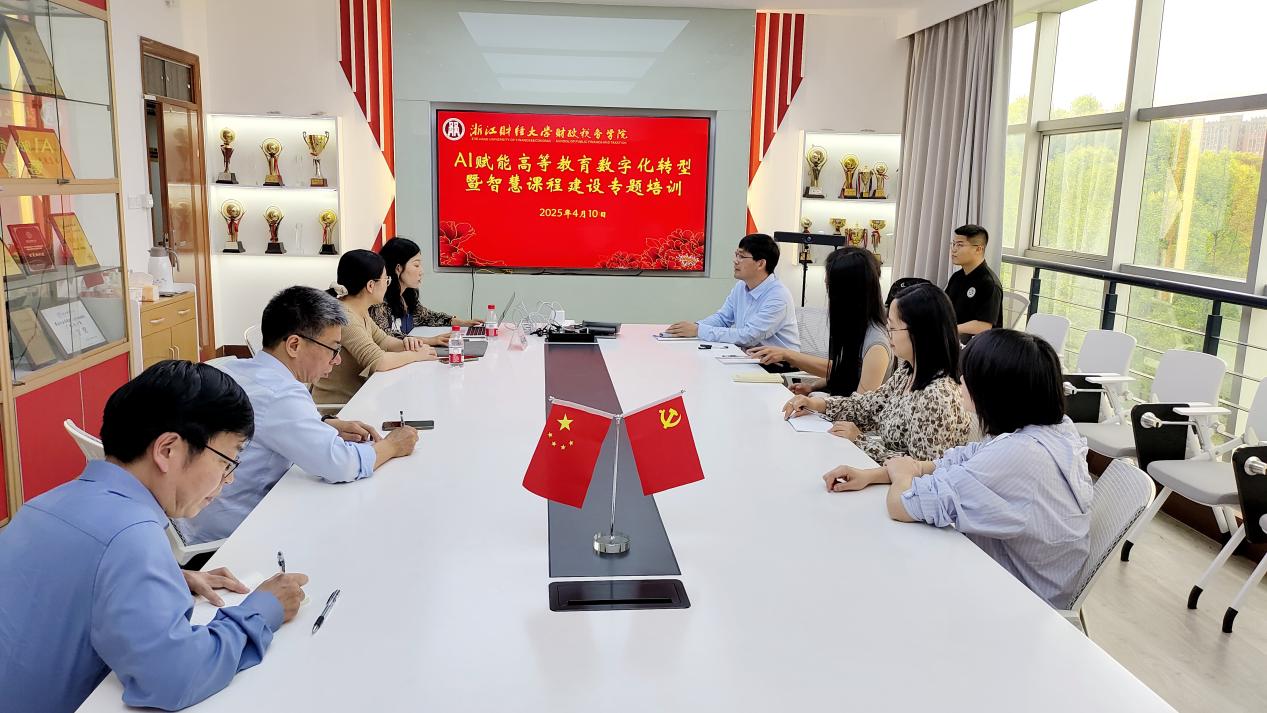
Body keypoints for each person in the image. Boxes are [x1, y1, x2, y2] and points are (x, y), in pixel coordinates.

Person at [0, 361, 309, 713]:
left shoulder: (42, 505)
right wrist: (263, 610)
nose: (229, 479)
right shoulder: (131, 537)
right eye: (227, 462)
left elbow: (64, 582)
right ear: (167, 450)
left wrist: (164, 576)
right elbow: (174, 677)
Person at [822, 329, 1094, 608]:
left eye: (969, 375)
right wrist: (874, 474)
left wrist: (902, 475)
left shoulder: (1019, 454)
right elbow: (956, 461)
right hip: (1013, 573)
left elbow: (902, 505)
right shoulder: (1053, 429)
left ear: (995, 390)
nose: (961, 380)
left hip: (1019, 599)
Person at [175, 286, 421, 545]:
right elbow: (341, 465)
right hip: (237, 533)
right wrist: (392, 446)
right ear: (294, 345)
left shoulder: (236, 367)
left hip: (195, 520)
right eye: (333, 349)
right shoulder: (281, 394)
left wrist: (325, 423)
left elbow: (268, 424)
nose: (336, 360)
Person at [782, 283, 971, 462]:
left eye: (893, 328)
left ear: (920, 332)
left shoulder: (937, 396)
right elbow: (869, 406)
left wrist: (860, 441)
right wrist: (816, 404)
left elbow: (922, 470)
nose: (888, 334)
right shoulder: (908, 372)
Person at [748, 247, 891, 396]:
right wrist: (814, 387)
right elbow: (847, 372)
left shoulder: (876, 346)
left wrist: (788, 355)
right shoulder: (856, 329)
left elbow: (860, 406)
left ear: (847, 293)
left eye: (830, 287)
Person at [311, 249, 438, 404]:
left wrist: (408, 345)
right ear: (371, 285)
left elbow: (384, 341)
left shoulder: (358, 310)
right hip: (339, 407)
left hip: (357, 400)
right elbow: (378, 361)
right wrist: (415, 356)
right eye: (386, 279)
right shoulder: (345, 317)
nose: (387, 285)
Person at [663, 233, 800, 349]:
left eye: (742, 256)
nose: (735, 261)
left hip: (778, 365)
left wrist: (699, 330)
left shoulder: (778, 296)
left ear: (760, 264)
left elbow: (749, 336)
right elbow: (722, 318)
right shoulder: (741, 286)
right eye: (736, 255)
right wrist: (694, 327)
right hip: (750, 356)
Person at [370, 236, 481, 340]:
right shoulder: (378, 300)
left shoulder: (406, 296)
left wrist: (463, 323)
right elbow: (386, 338)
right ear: (398, 268)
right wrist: (430, 341)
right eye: (416, 265)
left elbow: (427, 317)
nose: (421, 271)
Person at [944, 224, 1003, 343]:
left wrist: (949, 329)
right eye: (953, 244)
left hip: (979, 346)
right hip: (954, 339)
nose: (954, 249)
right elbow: (944, 307)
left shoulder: (989, 284)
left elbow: (983, 326)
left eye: (960, 245)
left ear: (978, 249)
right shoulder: (957, 277)